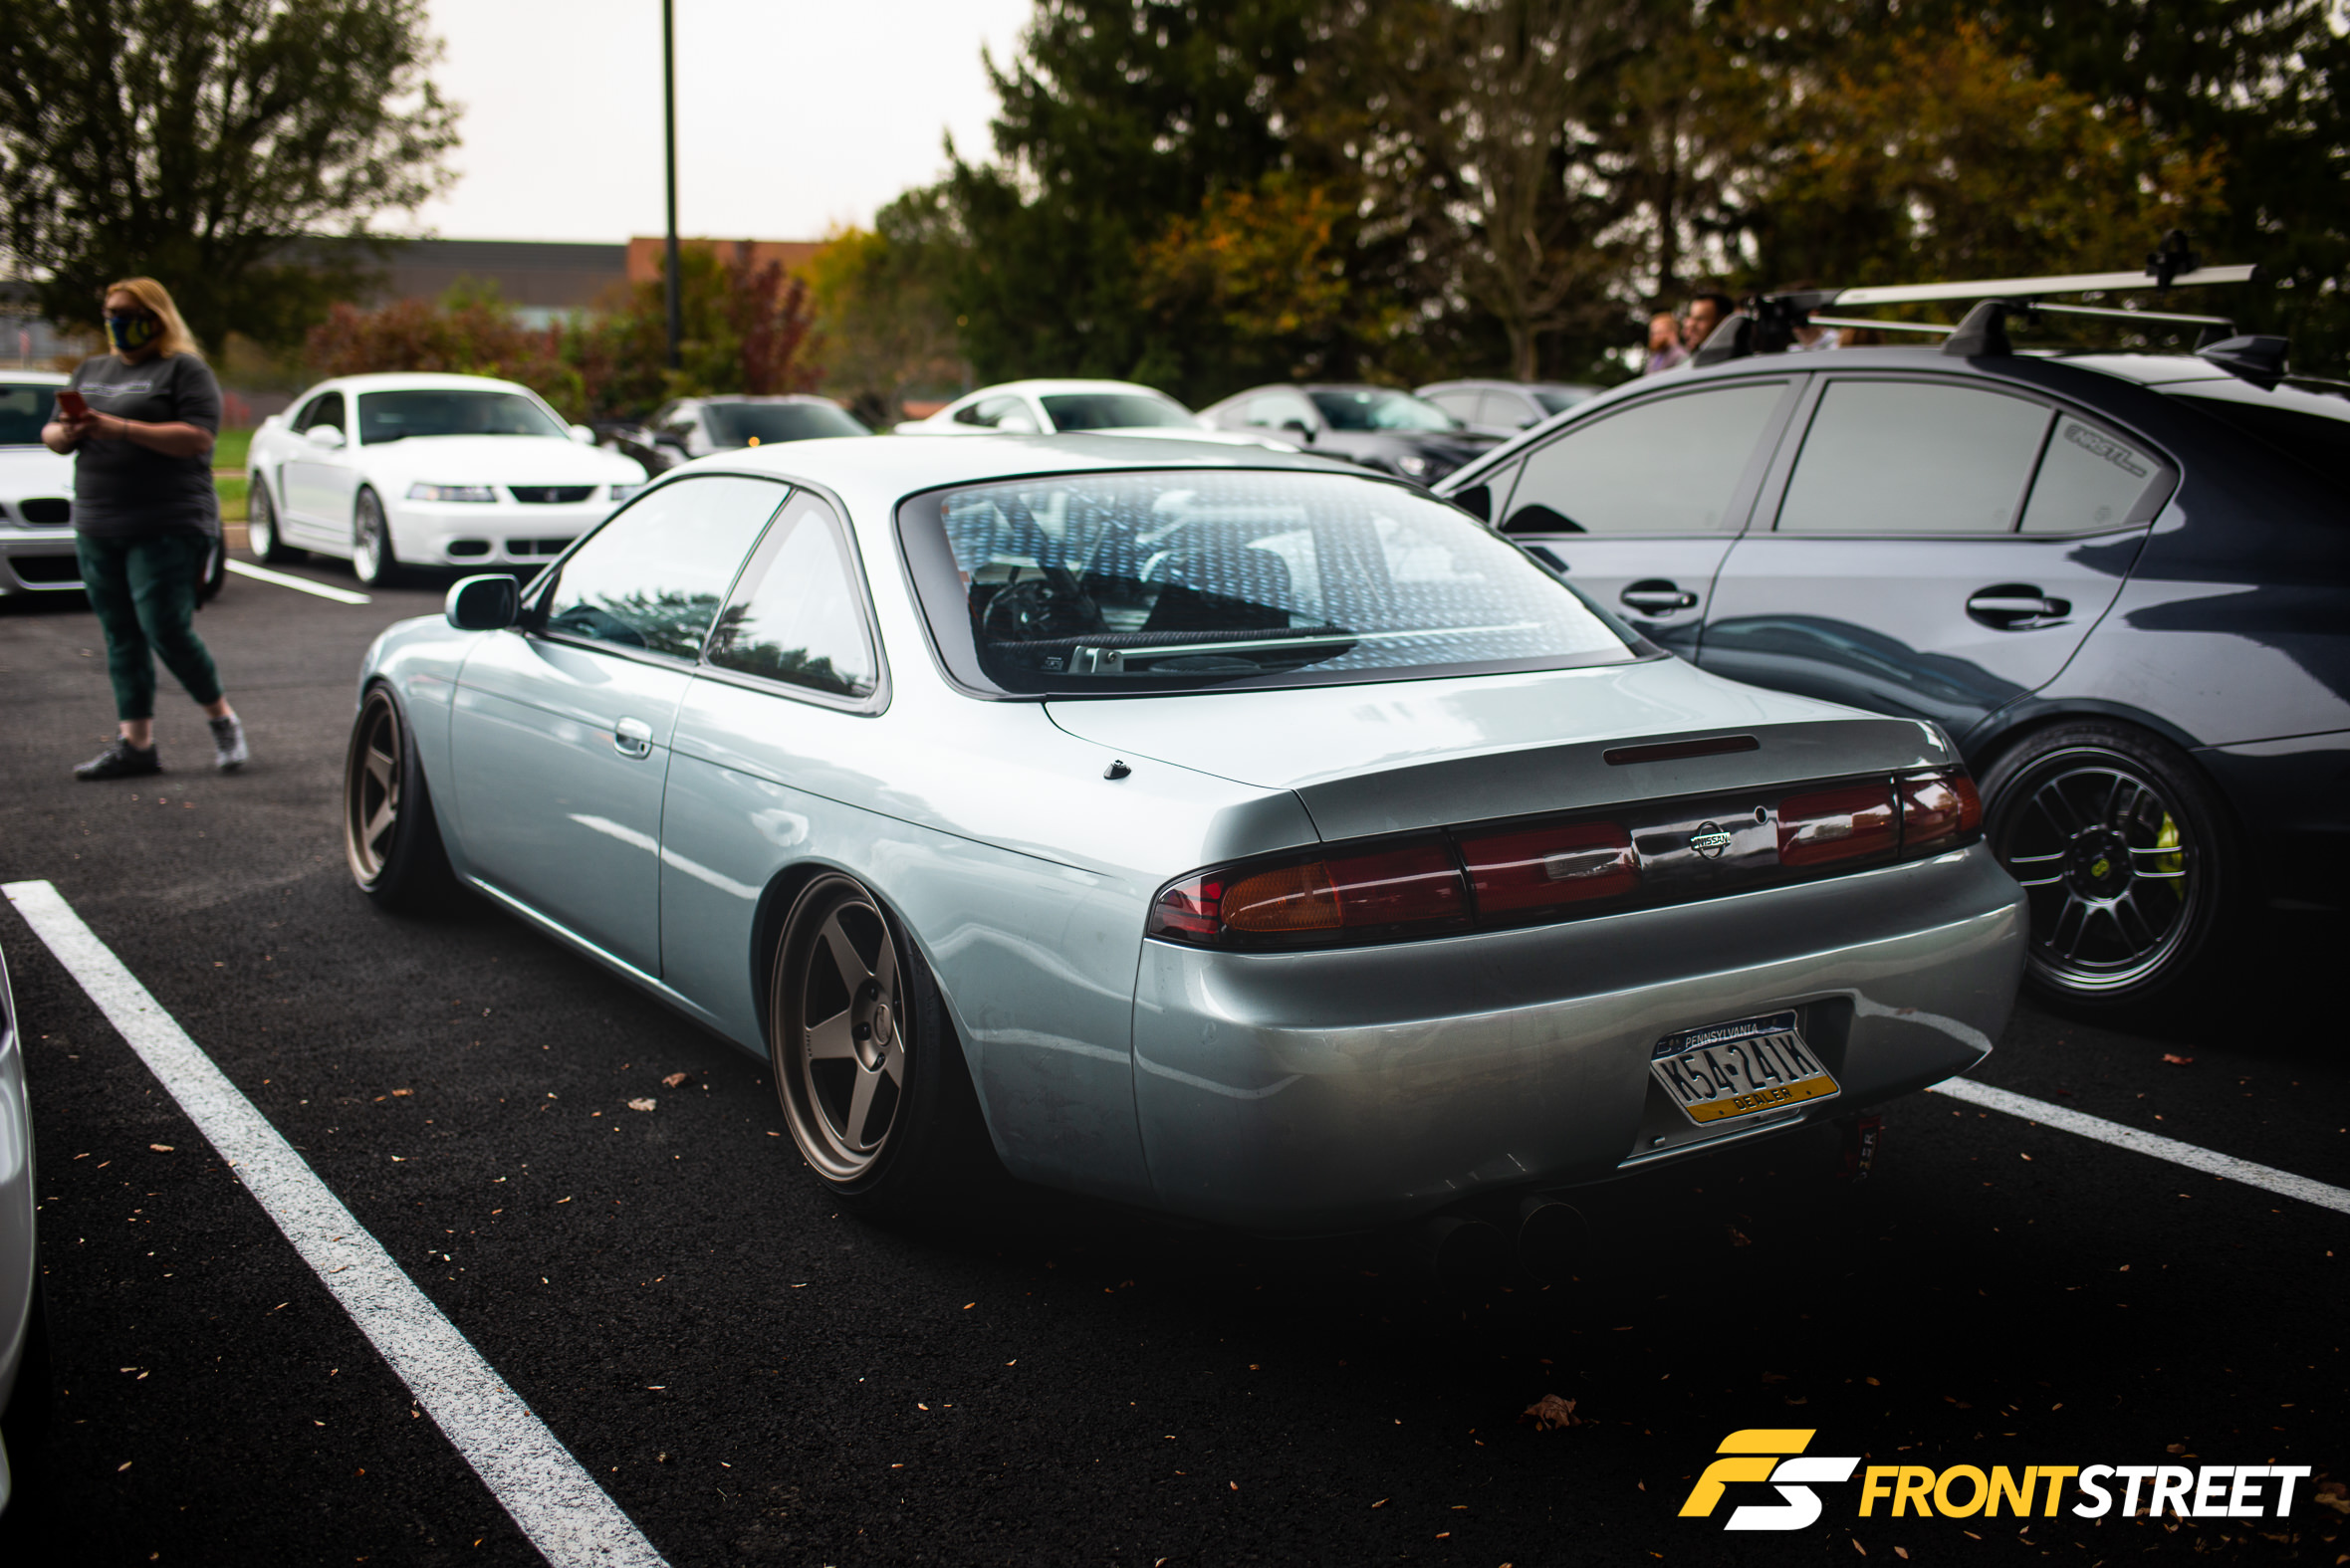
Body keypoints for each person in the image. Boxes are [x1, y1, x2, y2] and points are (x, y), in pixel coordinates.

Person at [41, 277, 249, 780]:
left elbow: (198, 438)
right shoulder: (91, 369)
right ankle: (136, 745)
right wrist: (66, 432)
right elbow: (50, 432)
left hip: (167, 523)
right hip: (98, 520)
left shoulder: (184, 369)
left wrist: (118, 427)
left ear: (156, 319)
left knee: (165, 628)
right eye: (110, 313)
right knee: (121, 634)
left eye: (128, 313)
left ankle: (221, 718)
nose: (117, 322)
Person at [1642, 310, 1688, 375]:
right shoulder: (1654, 357)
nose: (1654, 337)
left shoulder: (1680, 357)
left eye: (1659, 333)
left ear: (1672, 333)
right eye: (1652, 333)